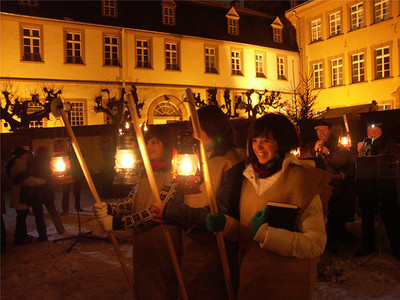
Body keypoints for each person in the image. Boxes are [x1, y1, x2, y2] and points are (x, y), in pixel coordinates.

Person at [154, 113, 332, 300]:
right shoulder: (249, 179)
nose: (258, 147)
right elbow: (245, 233)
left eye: (266, 140)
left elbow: (315, 243)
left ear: (282, 141)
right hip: (251, 283)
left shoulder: (303, 180)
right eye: (254, 141)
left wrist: (268, 235)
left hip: (287, 286)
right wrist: (225, 225)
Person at [152, 105, 245, 300]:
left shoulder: (232, 162)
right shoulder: (197, 159)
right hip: (190, 248)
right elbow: (181, 194)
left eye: (197, 129)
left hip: (215, 253)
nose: (193, 135)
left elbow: (221, 211)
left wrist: (171, 212)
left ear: (211, 129)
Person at [93, 125, 180, 300]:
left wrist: (118, 223)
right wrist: (109, 208)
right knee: (144, 287)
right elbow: (133, 201)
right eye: (147, 142)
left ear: (167, 144)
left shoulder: (175, 175)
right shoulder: (145, 173)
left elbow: (153, 213)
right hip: (142, 243)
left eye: (155, 142)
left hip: (163, 243)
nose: (149, 147)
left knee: (162, 290)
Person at [355, 121, 400, 260]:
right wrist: (359, 153)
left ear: (381, 130)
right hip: (368, 187)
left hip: (385, 187)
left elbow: (394, 160)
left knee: (390, 217)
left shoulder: (390, 144)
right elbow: (358, 164)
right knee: (367, 217)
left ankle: (397, 247)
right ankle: (368, 245)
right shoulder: (366, 143)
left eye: (375, 130)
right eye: (369, 130)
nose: (372, 133)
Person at [312, 120, 355, 253]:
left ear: (330, 131)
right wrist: (314, 151)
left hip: (335, 184)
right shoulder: (313, 145)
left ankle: (335, 240)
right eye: (319, 130)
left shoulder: (337, 143)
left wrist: (327, 154)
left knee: (335, 213)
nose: (321, 133)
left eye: (324, 130)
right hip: (320, 184)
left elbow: (342, 159)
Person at [4, 146, 45, 245]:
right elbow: (28, 181)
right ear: (21, 155)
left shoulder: (13, 163)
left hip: (19, 194)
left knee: (22, 215)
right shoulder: (20, 166)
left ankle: (23, 235)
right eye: (26, 153)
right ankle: (20, 238)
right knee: (21, 217)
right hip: (21, 195)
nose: (27, 155)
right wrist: (43, 181)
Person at [29, 146, 65, 240]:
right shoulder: (49, 161)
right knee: (53, 211)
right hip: (47, 190)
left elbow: (30, 175)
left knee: (39, 215)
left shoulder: (32, 162)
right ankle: (60, 229)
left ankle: (43, 235)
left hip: (36, 191)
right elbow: (52, 174)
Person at [61, 139, 83, 214]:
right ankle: (65, 209)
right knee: (66, 192)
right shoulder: (66, 154)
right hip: (68, 174)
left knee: (77, 192)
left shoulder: (78, 153)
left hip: (76, 174)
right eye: (69, 144)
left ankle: (77, 206)